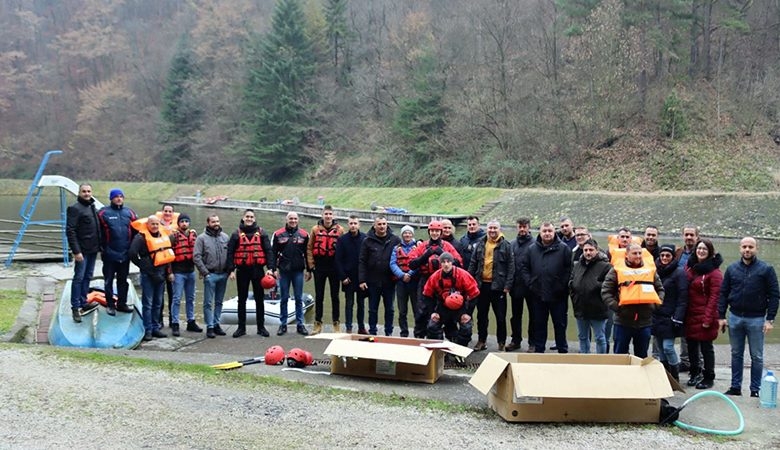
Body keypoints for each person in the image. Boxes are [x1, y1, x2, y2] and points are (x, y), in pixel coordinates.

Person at [720, 237, 779, 397]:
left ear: (756, 249)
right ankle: (735, 387)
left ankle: (755, 389)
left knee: (757, 356)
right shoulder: (732, 269)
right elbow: (724, 293)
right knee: (736, 353)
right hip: (735, 317)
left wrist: (770, 319)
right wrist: (721, 316)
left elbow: (774, 295)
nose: (747, 250)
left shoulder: (766, 269)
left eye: (750, 247)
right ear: (740, 248)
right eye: (744, 247)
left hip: (757, 319)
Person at [601, 243, 664, 358]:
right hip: (623, 321)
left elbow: (660, 289)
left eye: (640, 253)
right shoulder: (616, 271)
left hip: (644, 322)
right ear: (627, 255)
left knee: (642, 356)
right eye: (635, 253)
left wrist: (655, 306)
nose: (638, 256)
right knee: (620, 355)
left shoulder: (650, 270)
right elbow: (606, 292)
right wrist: (617, 308)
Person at [521, 222, 572, 353]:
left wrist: (562, 285)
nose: (547, 233)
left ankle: (562, 350)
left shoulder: (564, 248)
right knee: (539, 325)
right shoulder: (532, 249)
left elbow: (569, 269)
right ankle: (539, 351)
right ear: (540, 232)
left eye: (550, 231)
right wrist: (530, 283)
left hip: (558, 295)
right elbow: (524, 268)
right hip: (538, 294)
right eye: (544, 231)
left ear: (554, 232)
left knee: (560, 325)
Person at [408, 220, 462, 337]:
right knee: (422, 311)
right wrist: (426, 255)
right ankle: (420, 336)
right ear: (429, 232)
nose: (435, 233)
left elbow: (458, 263)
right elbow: (411, 264)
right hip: (425, 280)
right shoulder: (422, 246)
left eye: (437, 231)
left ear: (441, 232)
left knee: (447, 309)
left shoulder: (447, 246)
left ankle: (451, 338)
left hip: (443, 281)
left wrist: (442, 253)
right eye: (432, 231)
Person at [227, 209, 274, 338]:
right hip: (242, 270)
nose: (249, 219)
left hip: (258, 270)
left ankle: (261, 327)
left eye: (251, 217)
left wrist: (270, 268)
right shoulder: (236, 234)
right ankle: (241, 328)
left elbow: (268, 251)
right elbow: (230, 253)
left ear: (254, 219)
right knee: (241, 300)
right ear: (243, 218)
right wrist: (231, 270)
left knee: (260, 300)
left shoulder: (262, 233)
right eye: (247, 216)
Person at [468, 220, 514, 351]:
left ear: (499, 229)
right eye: (490, 228)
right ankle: (482, 340)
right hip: (481, 285)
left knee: (500, 316)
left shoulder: (506, 245)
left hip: (498, 287)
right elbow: (473, 263)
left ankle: (501, 341)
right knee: (481, 315)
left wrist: (508, 285)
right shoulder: (481, 243)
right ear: (486, 229)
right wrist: (470, 282)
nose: (492, 230)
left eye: (495, 228)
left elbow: (511, 267)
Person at [684, 238, 723, 389]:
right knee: (691, 346)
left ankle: (709, 377)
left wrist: (708, 318)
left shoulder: (715, 273)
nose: (701, 251)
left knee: (706, 348)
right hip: (690, 313)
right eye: (699, 248)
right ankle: (695, 373)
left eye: (704, 249)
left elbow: (715, 297)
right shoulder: (690, 267)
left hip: (706, 315)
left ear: (710, 252)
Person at [129, 215, 175, 341]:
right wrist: (142, 265)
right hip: (148, 274)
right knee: (148, 303)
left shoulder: (163, 236)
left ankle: (156, 328)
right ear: (148, 224)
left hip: (161, 273)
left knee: (158, 303)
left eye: (156, 224)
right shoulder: (141, 237)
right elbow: (132, 253)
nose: (155, 226)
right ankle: (147, 329)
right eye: (152, 224)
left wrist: (169, 272)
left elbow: (167, 254)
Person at [423, 252, 480, 346]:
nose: (446, 264)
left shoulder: (463, 275)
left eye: (448, 261)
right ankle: (439, 349)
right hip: (442, 306)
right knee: (432, 326)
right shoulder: (434, 277)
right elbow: (427, 295)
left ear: (452, 262)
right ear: (440, 264)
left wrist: (468, 313)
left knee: (466, 327)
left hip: (460, 306)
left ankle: (460, 349)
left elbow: (475, 294)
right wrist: (432, 312)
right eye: (443, 262)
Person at [97, 188, 138, 316]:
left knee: (123, 280)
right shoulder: (103, 213)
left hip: (125, 254)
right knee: (108, 280)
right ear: (111, 198)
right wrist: (102, 249)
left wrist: (134, 250)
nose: (119, 199)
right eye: (116, 197)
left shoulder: (130, 213)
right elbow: (97, 233)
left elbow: (138, 232)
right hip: (109, 254)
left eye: (121, 196)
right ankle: (110, 304)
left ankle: (122, 303)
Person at [358, 215, 401, 336]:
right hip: (372, 280)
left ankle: (389, 332)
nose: (382, 226)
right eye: (379, 224)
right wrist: (362, 280)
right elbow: (362, 261)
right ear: (374, 226)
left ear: (387, 225)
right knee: (372, 309)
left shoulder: (395, 240)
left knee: (390, 309)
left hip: (389, 281)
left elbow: (403, 256)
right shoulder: (367, 240)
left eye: (384, 224)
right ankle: (372, 331)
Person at [652, 244, 688, 381]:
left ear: (673, 256)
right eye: (662, 255)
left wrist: (678, 317)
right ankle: (665, 376)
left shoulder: (679, 273)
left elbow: (683, 297)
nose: (665, 258)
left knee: (668, 347)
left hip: (671, 316)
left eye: (668, 255)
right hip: (657, 314)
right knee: (660, 348)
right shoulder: (655, 271)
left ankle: (675, 375)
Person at [65, 183, 101, 323]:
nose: (87, 194)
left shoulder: (92, 207)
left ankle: (83, 301)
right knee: (79, 277)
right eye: (84, 191)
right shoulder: (75, 209)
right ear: (79, 193)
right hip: (82, 251)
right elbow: (70, 231)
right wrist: (76, 251)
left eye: (89, 191)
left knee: (88, 276)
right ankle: (75, 307)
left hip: (92, 249)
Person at [569, 239, 611, 354]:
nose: (588, 252)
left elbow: (610, 286)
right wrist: (574, 294)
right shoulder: (578, 265)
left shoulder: (605, 266)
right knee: (582, 336)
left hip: (598, 308)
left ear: (596, 250)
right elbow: (571, 281)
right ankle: (584, 358)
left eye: (591, 250)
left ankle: (600, 361)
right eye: (586, 250)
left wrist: (595, 285)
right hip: (580, 308)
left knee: (600, 338)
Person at [307, 205, 345, 335]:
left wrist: (342, 267)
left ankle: (336, 323)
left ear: (333, 216)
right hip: (320, 267)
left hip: (334, 267)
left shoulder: (340, 230)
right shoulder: (315, 229)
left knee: (335, 296)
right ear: (322, 215)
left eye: (330, 214)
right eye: (326, 214)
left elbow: (344, 249)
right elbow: (310, 248)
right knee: (319, 296)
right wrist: (311, 266)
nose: (328, 216)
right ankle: (318, 323)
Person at [272, 211, 311, 336]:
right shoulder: (278, 234)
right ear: (286, 219)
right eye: (291, 219)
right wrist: (273, 269)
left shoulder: (304, 235)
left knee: (299, 299)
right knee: (283, 298)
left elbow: (308, 254)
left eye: (295, 219)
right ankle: (283, 324)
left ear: (298, 220)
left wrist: (309, 270)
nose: (293, 221)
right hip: (283, 271)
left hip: (298, 271)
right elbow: (273, 253)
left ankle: (300, 324)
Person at [193, 214, 230, 339]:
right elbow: (196, 257)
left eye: (217, 221)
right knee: (208, 302)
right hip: (210, 274)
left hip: (223, 274)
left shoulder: (225, 237)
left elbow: (230, 255)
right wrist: (205, 273)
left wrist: (230, 270)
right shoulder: (201, 238)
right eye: (213, 221)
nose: (216, 223)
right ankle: (209, 326)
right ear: (208, 223)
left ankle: (216, 323)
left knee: (219, 302)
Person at [169, 213, 202, 336]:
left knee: (190, 298)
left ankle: (191, 321)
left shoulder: (194, 235)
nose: (184, 223)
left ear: (189, 223)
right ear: (178, 223)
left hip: (190, 271)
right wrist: (170, 272)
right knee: (177, 298)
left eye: (186, 221)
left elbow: (198, 254)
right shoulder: (173, 236)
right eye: (182, 221)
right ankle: (175, 323)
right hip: (178, 272)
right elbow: (168, 255)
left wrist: (200, 271)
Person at [335, 216, 367, 333]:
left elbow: (367, 259)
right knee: (349, 303)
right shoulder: (342, 240)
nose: (353, 225)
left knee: (361, 304)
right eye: (351, 223)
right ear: (348, 225)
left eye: (355, 223)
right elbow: (338, 260)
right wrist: (342, 277)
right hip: (347, 278)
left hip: (361, 278)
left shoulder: (365, 238)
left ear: (359, 225)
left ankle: (361, 327)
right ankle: (348, 327)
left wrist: (365, 277)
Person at [507, 218, 534, 352]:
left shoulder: (535, 244)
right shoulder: (511, 244)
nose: (522, 229)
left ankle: (532, 343)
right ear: (517, 228)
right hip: (516, 286)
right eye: (520, 227)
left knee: (533, 316)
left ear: (529, 227)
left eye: (525, 227)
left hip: (531, 287)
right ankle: (515, 340)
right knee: (515, 316)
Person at [675, 225, 699, 372]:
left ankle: (697, 362)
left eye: (692, 235)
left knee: (695, 332)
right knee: (683, 330)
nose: (689, 237)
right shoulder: (678, 253)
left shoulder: (703, 252)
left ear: (697, 236)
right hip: (679, 297)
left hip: (695, 297)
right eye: (686, 235)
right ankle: (685, 361)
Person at [390, 225, 418, 337]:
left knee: (417, 309)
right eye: (405, 233)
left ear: (412, 235)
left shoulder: (417, 247)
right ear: (402, 235)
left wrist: (410, 274)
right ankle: (404, 332)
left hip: (414, 281)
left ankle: (418, 332)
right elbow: (392, 263)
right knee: (402, 310)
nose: (407, 235)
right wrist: (402, 275)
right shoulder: (396, 248)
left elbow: (419, 263)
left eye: (409, 233)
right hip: (401, 282)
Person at [158, 203, 177, 327]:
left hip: (173, 263)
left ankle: (172, 319)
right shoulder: (156, 224)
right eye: (166, 211)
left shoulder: (177, 226)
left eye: (170, 211)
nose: (168, 213)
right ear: (162, 211)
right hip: (160, 262)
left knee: (173, 293)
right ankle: (159, 319)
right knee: (159, 294)